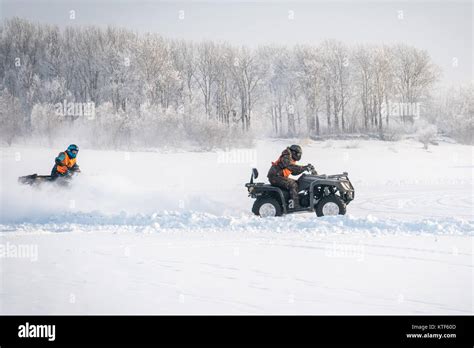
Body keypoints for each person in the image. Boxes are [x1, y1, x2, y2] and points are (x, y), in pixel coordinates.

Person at [267, 145, 313, 209]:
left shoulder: (291, 158)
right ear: (294, 152)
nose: (299, 156)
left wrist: (304, 169)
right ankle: (295, 206)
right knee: (293, 185)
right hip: (275, 177)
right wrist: (304, 167)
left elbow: (294, 172)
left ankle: (294, 200)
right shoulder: (286, 155)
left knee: (298, 183)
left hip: (278, 177)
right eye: (299, 154)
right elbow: (290, 166)